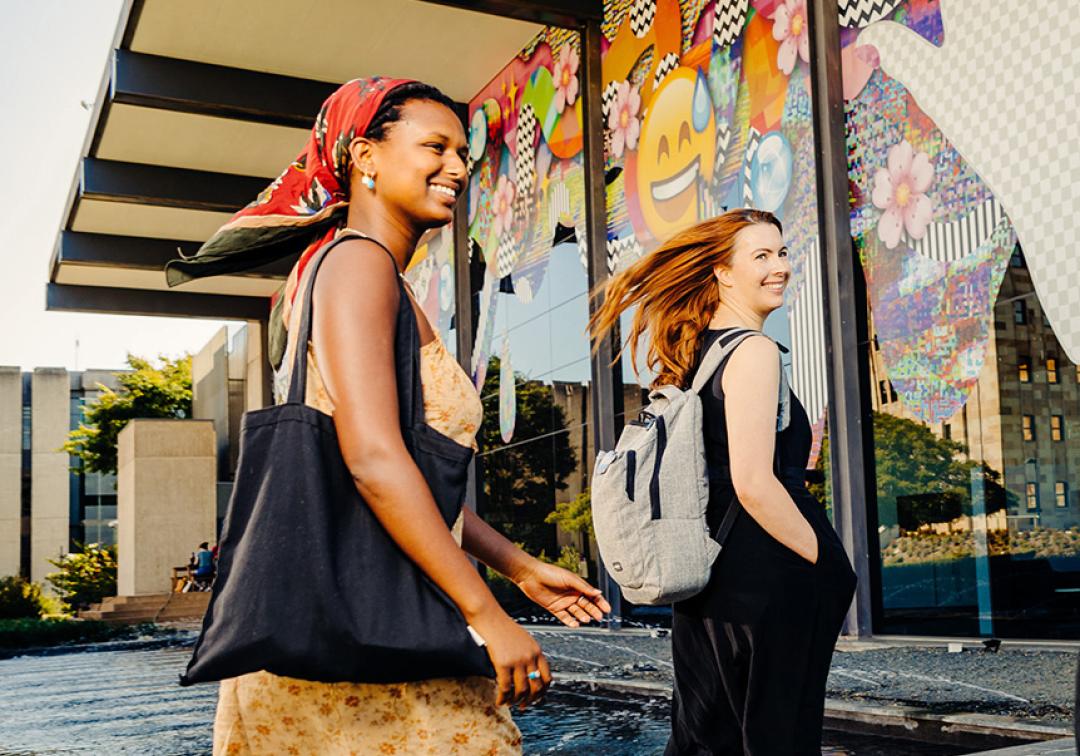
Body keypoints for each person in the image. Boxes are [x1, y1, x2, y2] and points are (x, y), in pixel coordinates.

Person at [169, 78, 610, 754]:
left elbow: (401, 475)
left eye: (463, 152)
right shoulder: (358, 265)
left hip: (357, 644)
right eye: (435, 146)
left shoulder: (363, 273)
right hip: (367, 657)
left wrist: (517, 565)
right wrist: (486, 612)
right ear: (364, 157)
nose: (458, 167)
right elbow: (373, 460)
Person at [589, 209, 857, 754]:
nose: (779, 266)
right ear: (722, 273)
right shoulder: (753, 351)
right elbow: (754, 482)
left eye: (781, 252)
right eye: (760, 256)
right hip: (772, 572)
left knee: (704, 738)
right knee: (779, 736)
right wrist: (827, 565)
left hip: (708, 574)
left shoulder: (694, 358)